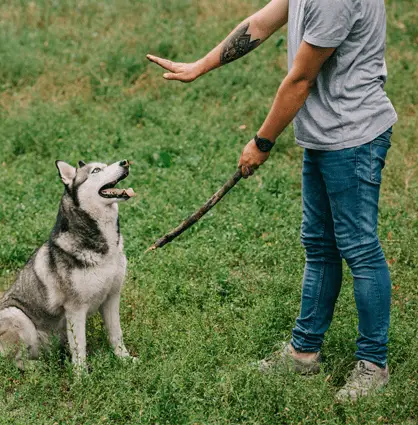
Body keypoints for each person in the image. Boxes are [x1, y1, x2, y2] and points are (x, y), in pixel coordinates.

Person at [147, 0, 397, 402]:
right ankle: (303, 353)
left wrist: (262, 141)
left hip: (353, 136)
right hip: (324, 133)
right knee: (319, 246)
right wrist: (200, 66)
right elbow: (260, 23)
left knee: (359, 248)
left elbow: (300, 79)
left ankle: (373, 365)